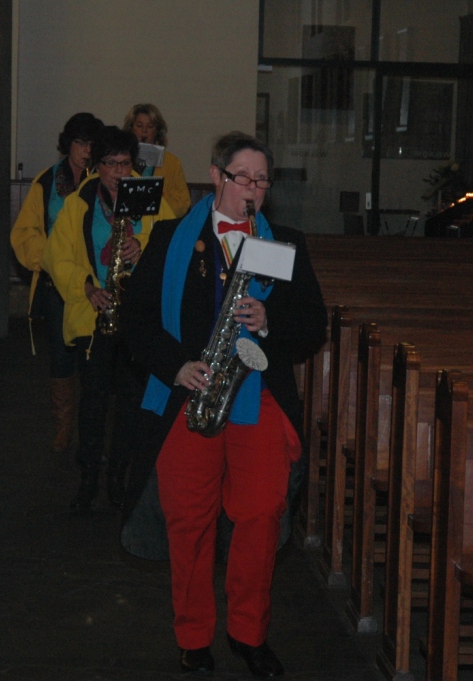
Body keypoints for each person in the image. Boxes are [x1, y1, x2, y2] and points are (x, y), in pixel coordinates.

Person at [121, 131, 327, 677]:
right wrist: (176, 366)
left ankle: (248, 634)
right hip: (190, 396)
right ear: (216, 176)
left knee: (260, 516)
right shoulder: (170, 238)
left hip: (258, 397)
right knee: (188, 521)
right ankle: (193, 636)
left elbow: (313, 324)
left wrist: (271, 320)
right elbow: (135, 320)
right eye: (242, 178)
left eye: (262, 180)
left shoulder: (285, 244)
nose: (252, 190)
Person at [42, 125, 176, 511]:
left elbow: (172, 243)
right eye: (111, 164)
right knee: (94, 400)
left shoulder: (150, 196)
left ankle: (119, 475)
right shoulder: (79, 203)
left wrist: (143, 245)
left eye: (125, 163)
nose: (119, 172)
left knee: (132, 402)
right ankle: (87, 478)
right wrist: (86, 287)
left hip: (138, 317)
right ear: (96, 165)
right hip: (95, 314)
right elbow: (55, 257)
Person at [10, 112, 104, 454]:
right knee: (62, 360)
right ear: (68, 144)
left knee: (94, 362)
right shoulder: (48, 182)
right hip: (57, 287)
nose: (86, 150)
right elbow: (24, 233)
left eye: (92, 144)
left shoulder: (104, 180)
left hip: (96, 286)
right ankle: (63, 429)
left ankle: (91, 432)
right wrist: (51, 258)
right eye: (80, 143)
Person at [123, 103, 191, 217]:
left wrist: (158, 201)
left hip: (159, 220)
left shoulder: (172, 162)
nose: (144, 131)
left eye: (150, 126)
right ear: (131, 128)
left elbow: (183, 202)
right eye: (139, 126)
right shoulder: (121, 158)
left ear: (157, 130)